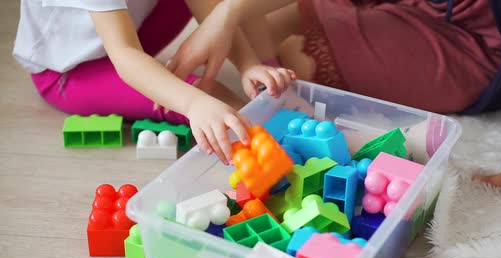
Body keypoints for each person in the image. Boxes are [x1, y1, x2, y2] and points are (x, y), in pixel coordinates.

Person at [167, 0, 501, 231]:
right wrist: (231, 12)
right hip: (417, 9)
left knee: (299, 64)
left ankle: (292, 105)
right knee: (262, 21)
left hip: (479, 43)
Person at [13, 0, 296, 165]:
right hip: (67, 73)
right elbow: (125, 55)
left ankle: (276, 122)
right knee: (211, 102)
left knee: (208, 97)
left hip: (128, 35)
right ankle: (276, 145)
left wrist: (247, 64)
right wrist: (194, 103)